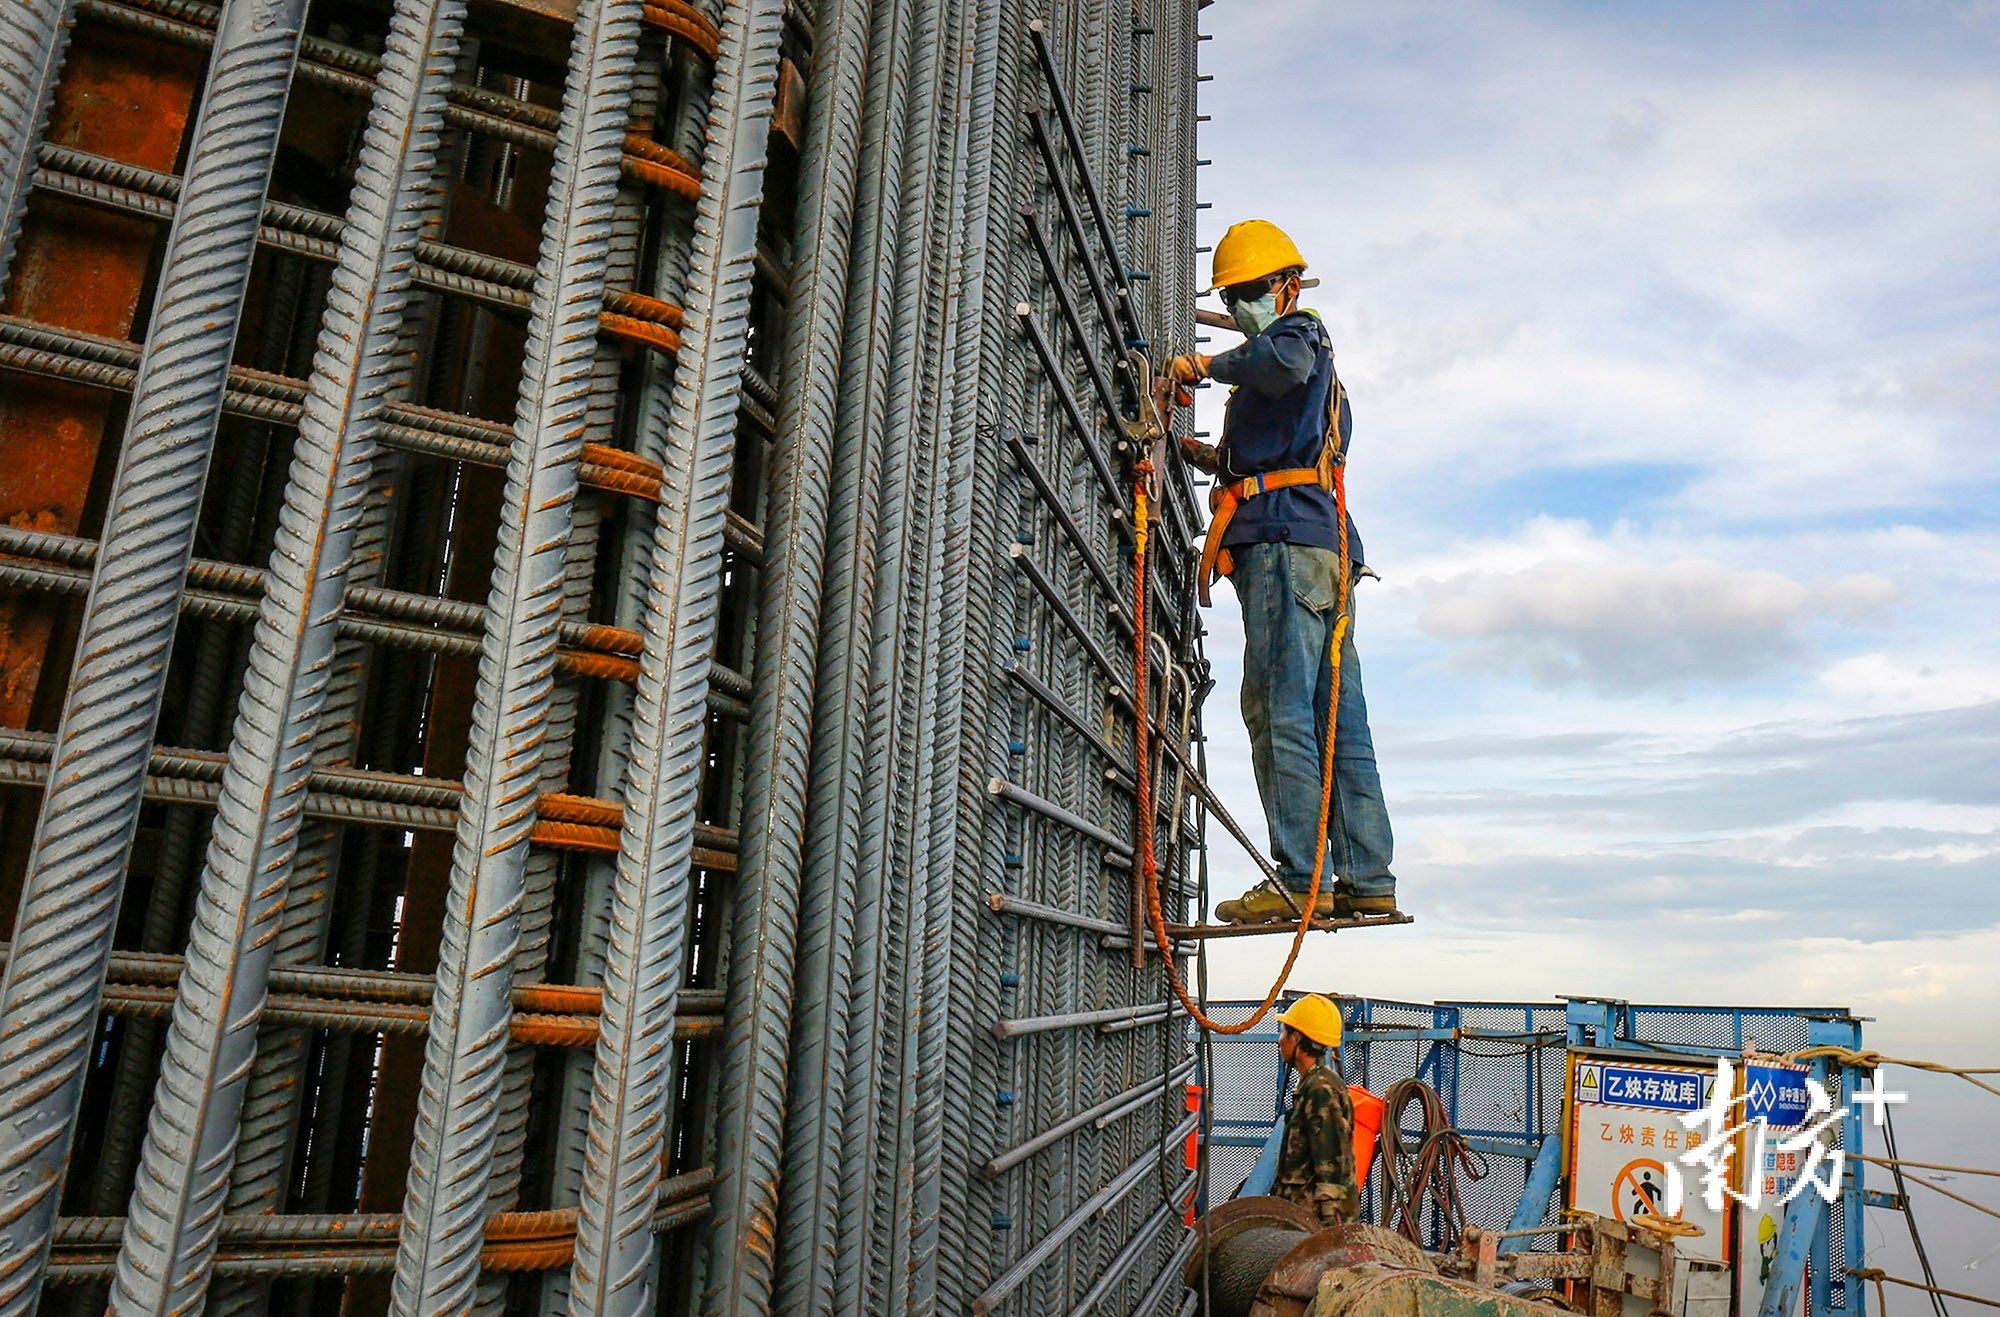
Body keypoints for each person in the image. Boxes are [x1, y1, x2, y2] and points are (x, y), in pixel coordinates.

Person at [1161, 219, 1398, 924]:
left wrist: (1204, 367)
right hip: (1323, 553)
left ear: (1288, 286)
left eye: (1249, 293)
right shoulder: (1307, 374)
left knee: (1278, 707)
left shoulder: (1301, 337)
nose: (1239, 309)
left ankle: (1302, 876)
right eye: (1231, 298)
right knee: (1337, 717)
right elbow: (1281, 452)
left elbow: (1280, 362)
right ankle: (1366, 875)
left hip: (1286, 549)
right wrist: (1209, 458)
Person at [1273, 993, 1359, 1224]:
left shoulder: (1321, 1091)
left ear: (1298, 1039)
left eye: (1284, 1032)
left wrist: (1330, 1227)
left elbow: (1331, 1161)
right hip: (1302, 1213)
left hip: (1313, 1218)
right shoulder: (1313, 1083)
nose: (1280, 1040)